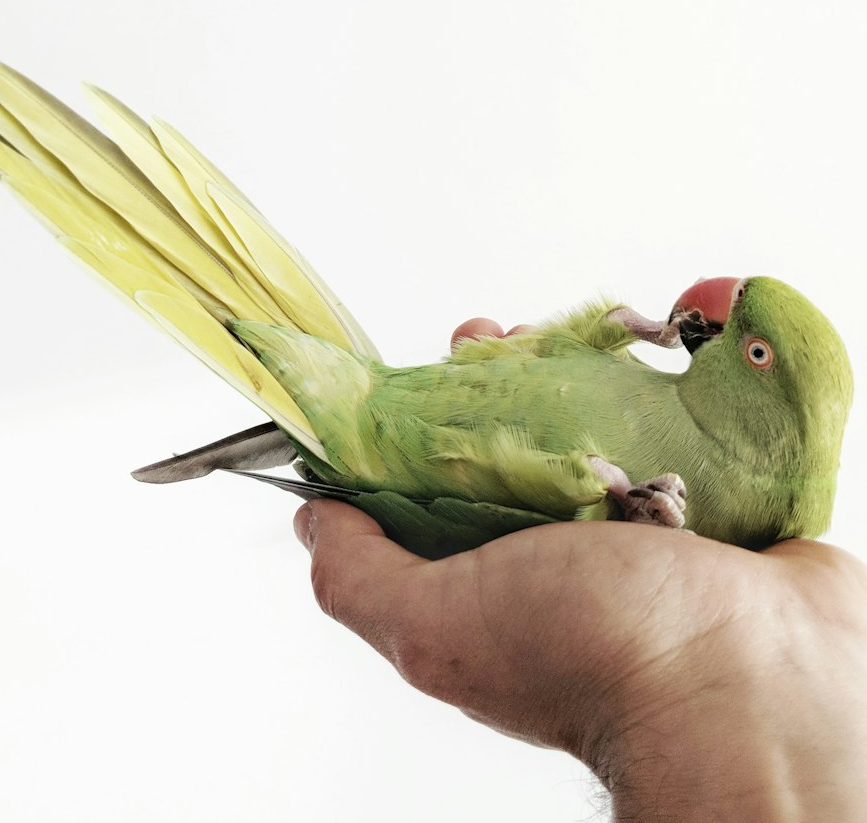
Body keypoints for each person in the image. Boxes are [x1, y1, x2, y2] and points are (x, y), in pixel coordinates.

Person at [293, 319, 867, 822]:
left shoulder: (774, 541)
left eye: (756, 352)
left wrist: (669, 678)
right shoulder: (825, 592)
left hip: (366, 429)